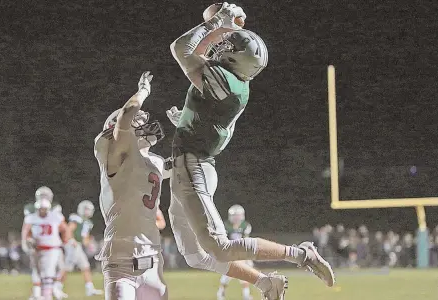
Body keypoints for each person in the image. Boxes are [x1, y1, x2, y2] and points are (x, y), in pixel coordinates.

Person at [165, 2, 335, 299]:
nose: (221, 46)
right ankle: (265, 282)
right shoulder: (235, 84)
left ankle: (301, 254)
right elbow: (214, 126)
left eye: (227, 45)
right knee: (197, 256)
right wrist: (186, 120)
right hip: (193, 164)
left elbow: (181, 48)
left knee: (218, 246)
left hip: (193, 167)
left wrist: (216, 21)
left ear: (235, 57)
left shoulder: (226, 83)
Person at [94, 71, 168, 300]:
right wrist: (143, 91)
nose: (145, 126)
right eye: (139, 123)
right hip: (122, 259)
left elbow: (190, 163)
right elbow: (127, 113)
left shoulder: (155, 161)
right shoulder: (117, 156)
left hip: (153, 258)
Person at [23, 186, 68, 300]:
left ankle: (48, 294)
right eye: (40, 209)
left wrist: (64, 241)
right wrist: (27, 241)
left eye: (44, 209)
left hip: (52, 248)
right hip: (37, 248)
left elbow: (64, 229)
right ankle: (39, 294)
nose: (42, 211)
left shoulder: (55, 215)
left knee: (50, 272)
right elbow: (26, 231)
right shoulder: (31, 216)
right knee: (38, 272)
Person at [65, 200, 103, 296]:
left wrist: (89, 244)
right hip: (73, 245)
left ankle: (89, 289)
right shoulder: (77, 218)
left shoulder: (88, 222)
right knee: (66, 268)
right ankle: (56, 287)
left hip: (78, 246)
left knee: (85, 267)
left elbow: (85, 237)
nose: (89, 212)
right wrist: (71, 240)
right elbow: (69, 229)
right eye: (87, 209)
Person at [217, 205, 254, 300]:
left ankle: (245, 295)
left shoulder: (245, 225)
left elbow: (246, 242)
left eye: (238, 215)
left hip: (240, 253)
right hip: (230, 252)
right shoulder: (225, 225)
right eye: (235, 216)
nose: (236, 218)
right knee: (229, 274)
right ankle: (221, 293)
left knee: (243, 273)